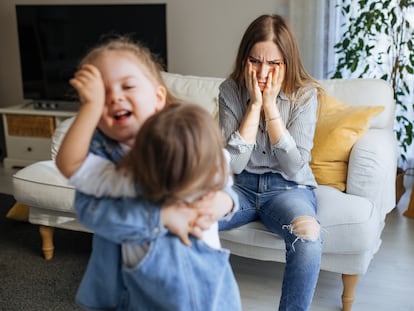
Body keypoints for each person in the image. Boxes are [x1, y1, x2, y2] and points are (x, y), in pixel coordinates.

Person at [56, 36, 241, 310]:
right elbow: (72, 167)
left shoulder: (190, 131)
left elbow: (222, 176)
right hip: (140, 287)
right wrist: (162, 217)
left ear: (158, 97)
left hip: (208, 279)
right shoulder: (115, 168)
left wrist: (225, 202)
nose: (115, 97)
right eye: (101, 95)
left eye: (127, 86)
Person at [218, 14, 323, 311]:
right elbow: (232, 166)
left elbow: (294, 166)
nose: (263, 72)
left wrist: (271, 109)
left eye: (273, 63)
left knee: (309, 237)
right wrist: (254, 106)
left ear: (287, 62)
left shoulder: (305, 95)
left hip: (288, 189)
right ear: (244, 59)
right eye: (255, 61)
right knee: (184, 215)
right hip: (238, 187)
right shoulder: (229, 91)